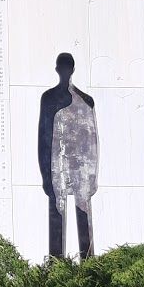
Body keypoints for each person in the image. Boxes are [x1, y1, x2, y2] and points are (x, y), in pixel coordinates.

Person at [38, 53, 99, 259]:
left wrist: (92, 178)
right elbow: (44, 138)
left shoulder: (86, 101)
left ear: (68, 70)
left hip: (79, 172)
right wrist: (46, 176)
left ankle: (88, 269)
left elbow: (92, 142)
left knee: (83, 225)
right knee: (58, 223)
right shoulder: (49, 98)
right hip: (59, 170)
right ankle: (59, 270)